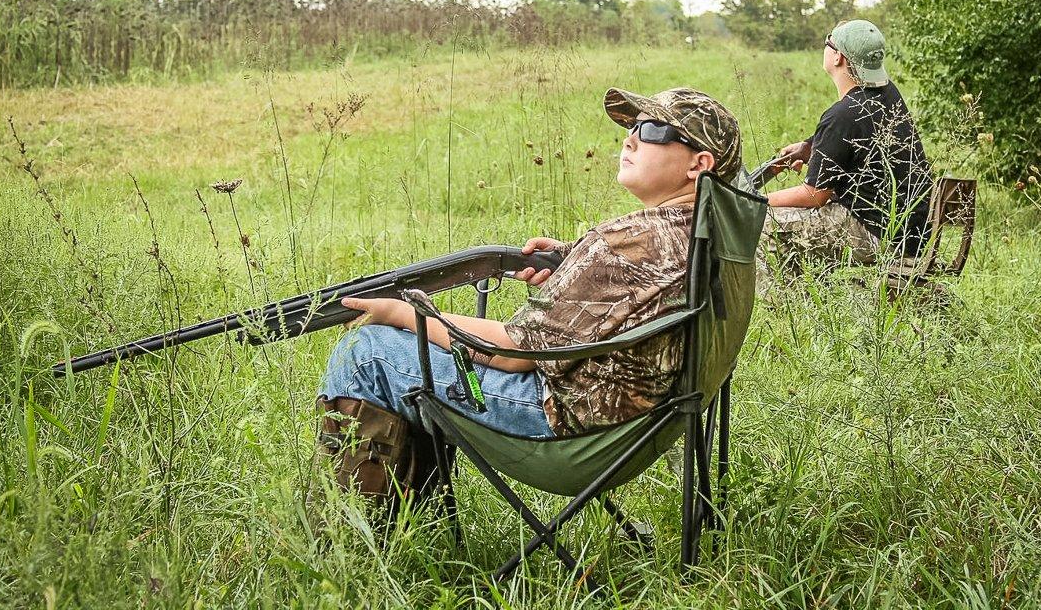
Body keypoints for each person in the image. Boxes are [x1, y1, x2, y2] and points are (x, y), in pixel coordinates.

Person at [316, 87, 742, 504]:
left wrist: (403, 312)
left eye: (652, 131)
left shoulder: (623, 243)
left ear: (699, 165)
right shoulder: (716, 234)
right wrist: (576, 265)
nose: (629, 138)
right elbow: (642, 297)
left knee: (366, 353)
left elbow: (511, 352)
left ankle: (359, 533)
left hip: (564, 431)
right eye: (632, 126)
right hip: (641, 431)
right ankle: (409, 506)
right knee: (403, 354)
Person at [764, 19, 932, 272]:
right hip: (910, 231)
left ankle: (785, 305)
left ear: (837, 58)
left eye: (827, 44)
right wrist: (810, 146)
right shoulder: (889, 93)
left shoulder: (841, 114)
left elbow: (814, 195)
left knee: (762, 225)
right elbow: (859, 137)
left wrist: (755, 200)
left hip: (880, 234)